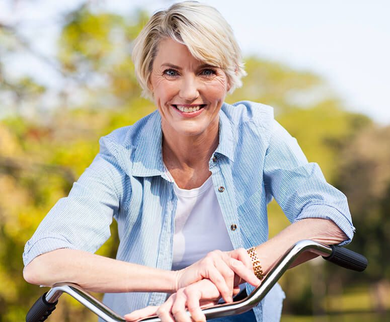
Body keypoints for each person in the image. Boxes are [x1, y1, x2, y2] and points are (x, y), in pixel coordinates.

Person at [23, 2, 355, 322]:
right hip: (144, 317)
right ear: (150, 80)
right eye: (171, 72)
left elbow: (330, 216)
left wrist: (235, 272)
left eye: (206, 71)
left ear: (229, 77)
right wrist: (181, 280)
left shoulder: (257, 133)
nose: (189, 91)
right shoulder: (121, 154)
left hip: (239, 309)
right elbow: (43, 262)